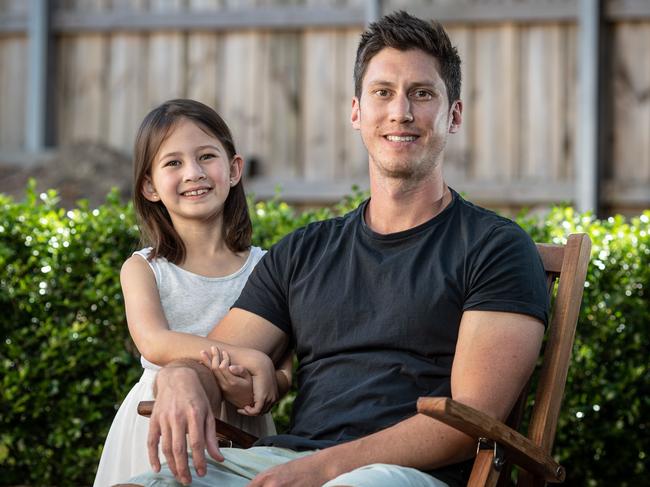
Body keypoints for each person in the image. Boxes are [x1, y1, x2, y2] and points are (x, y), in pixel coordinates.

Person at [125, 11, 549, 487]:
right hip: (291, 463)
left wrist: (325, 469)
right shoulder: (305, 252)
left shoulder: (495, 249)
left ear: (453, 115)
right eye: (382, 92)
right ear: (356, 112)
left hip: (405, 474)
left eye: (422, 94)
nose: (400, 112)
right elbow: (220, 357)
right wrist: (182, 377)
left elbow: (469, 420)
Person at [94, 99, 292, 486]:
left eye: (206, 156)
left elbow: (281, 368)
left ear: (234, 169)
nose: (194, 173)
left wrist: (263, 387)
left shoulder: (266, 267)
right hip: (160, 418)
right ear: (149, 186)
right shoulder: (143, 269)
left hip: (242, 426)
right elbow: (155, 343)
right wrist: (246, 356)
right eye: (173, 163)